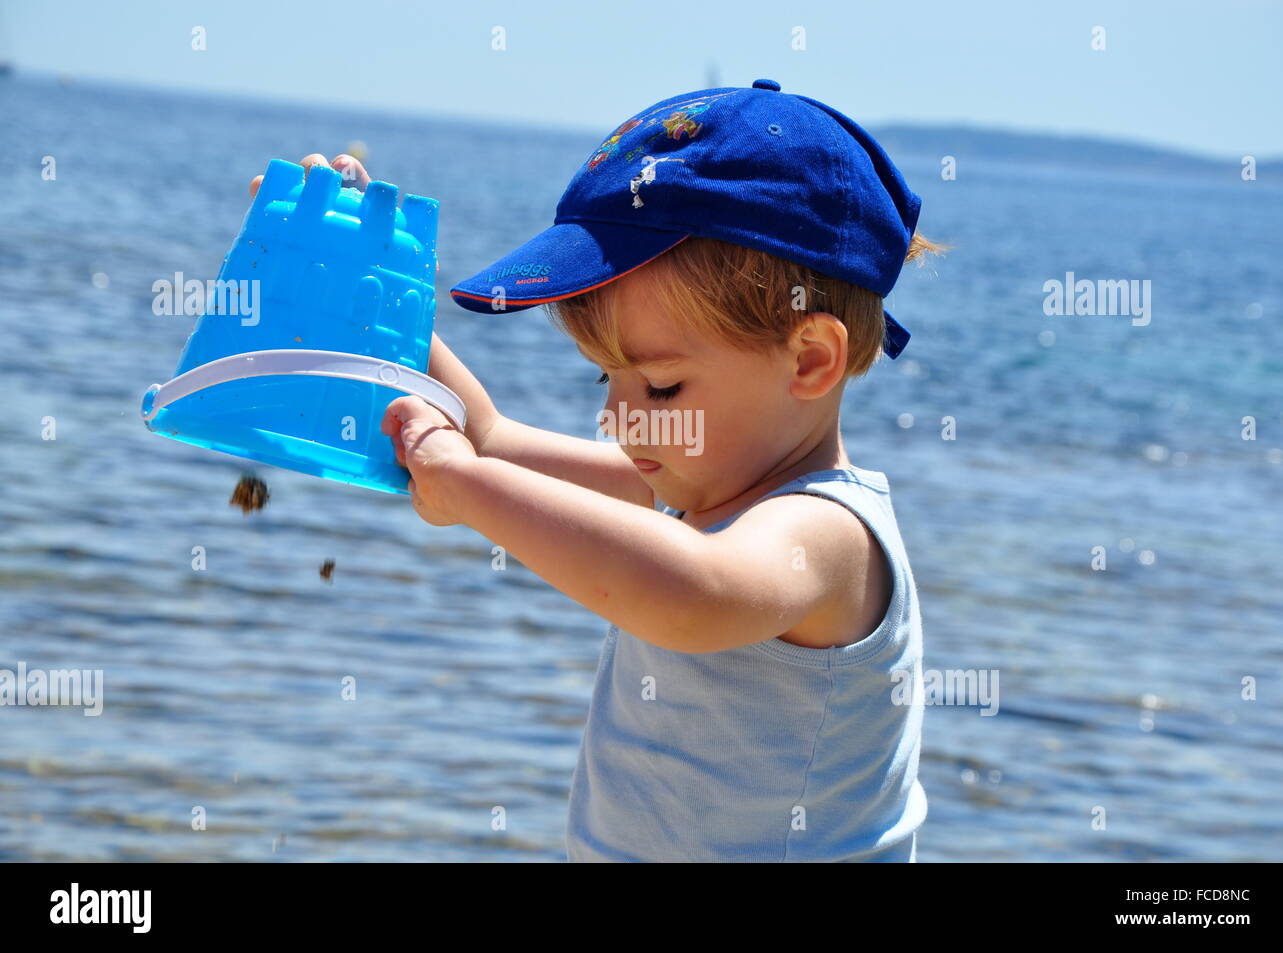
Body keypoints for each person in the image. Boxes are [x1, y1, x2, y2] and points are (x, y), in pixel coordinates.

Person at [254, 78, 942, 862]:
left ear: (811, 359)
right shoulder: (688, 487)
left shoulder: (826, 537)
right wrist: (357, 282)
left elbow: (691, 594)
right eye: (603, 377)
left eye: (660, 385)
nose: (619, 417)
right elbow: (489, 438)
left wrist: (468, 487)